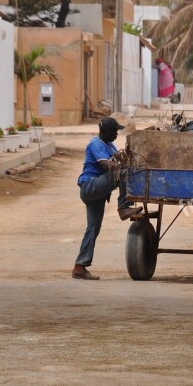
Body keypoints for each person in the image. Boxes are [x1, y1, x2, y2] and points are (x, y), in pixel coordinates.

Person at [72, 117, 141, 280]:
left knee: (93, 228)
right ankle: (123, 207)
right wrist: (123, 166)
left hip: (98, 191)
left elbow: (118, 159)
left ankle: (80, 267)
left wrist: (125, 159)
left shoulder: (109, 145)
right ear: (107, 131)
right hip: (90, 186)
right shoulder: (95, 144)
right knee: (124, 173)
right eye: (115, 131)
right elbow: (106, 166)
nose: (117, 134)